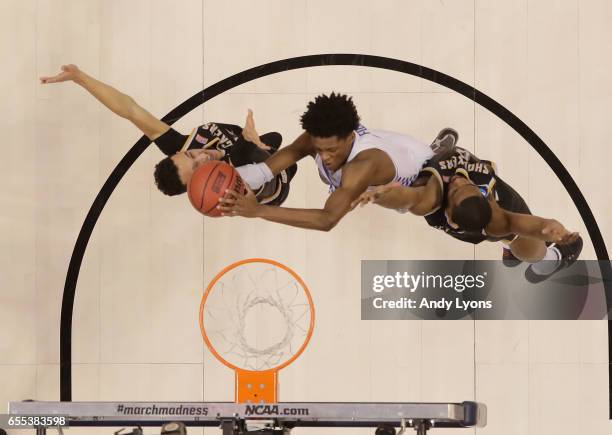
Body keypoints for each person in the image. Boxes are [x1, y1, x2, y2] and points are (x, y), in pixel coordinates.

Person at [39, 64, 296, 205]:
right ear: (197, 184)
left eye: (191, 154)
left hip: (259, 149)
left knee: (272, 139)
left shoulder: (181, 144)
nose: (203, 156)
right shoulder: (218, 187)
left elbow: (130, 110)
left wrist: (80, 78)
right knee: (241, 167)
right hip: (271, 185)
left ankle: (257, 145)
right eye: (198, 166)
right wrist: (249, 144)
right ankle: (256, 147)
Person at [218, 92, 451, 231]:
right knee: (332, 171)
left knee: (421, 206)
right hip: (389, 146)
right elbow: (266, 170)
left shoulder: (362, 167)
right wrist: (220, 175)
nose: (325, 156)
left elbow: (327, 219)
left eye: (331, 150)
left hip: (414, 168)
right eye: (320, 150)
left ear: (349, 138)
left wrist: (258, 210)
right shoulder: (319, 138)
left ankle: (436, 156)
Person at [350, 146, 583, 282]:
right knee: (531, 247)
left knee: (523, 246)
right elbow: (529, 224)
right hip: (498, 212)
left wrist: (377, 195)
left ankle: (531, 259)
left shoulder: (432, 198)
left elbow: (408, 198)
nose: (460, 181)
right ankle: (550, 262)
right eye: (462, 187)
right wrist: (552, 229)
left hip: (484, 215)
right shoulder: (495, 215)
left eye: (462, 188)